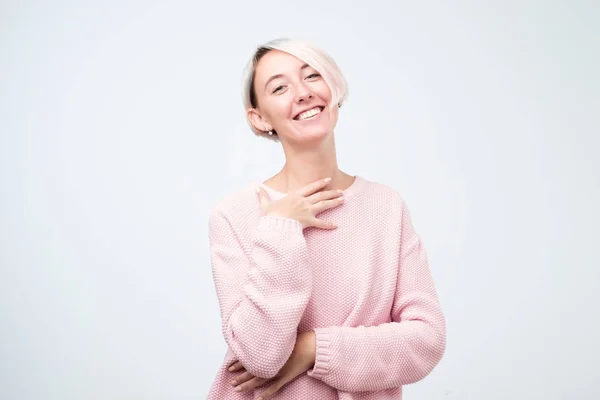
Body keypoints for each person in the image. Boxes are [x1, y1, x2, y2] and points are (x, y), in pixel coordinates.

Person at [206, 37, 446, 399]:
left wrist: (312, 349)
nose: (302, 92)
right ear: (259, 117)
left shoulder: (386, 207)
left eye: (312, 75)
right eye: (280, 87)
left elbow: (426, 340)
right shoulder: (235, 216)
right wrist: (281, 228)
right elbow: (259, 356)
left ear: (332, 88)